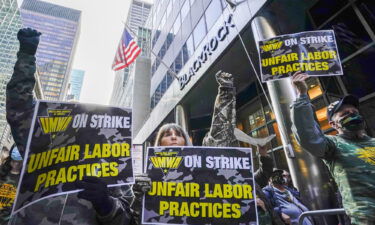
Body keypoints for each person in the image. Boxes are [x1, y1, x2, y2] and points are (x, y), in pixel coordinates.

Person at [6, 28, 133, 225]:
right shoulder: (41, 145)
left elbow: (127, 220)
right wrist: (26, 56)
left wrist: (106, 205)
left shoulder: (113, 166)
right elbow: (18, 109)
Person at [132, 71, 284, 225]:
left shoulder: (205, 166)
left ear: (186, 142)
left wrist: (225, 92)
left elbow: (220, 132)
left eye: (178, 134)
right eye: (167, 134)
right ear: (158, 143)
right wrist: (139, 197)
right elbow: (140, 218)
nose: (173, 137)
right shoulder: (150, 179)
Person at [290, 71, 375, 225]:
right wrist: (302, 95)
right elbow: (308, 136)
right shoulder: (333, 145)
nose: (352, 114)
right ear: (333, 124)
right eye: (345, 113)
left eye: (354, 112)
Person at [0, 145, 22, 224]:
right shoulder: (2, 173)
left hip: (8, 221)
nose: (16, 163)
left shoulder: (24, 180)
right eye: (14, 161)